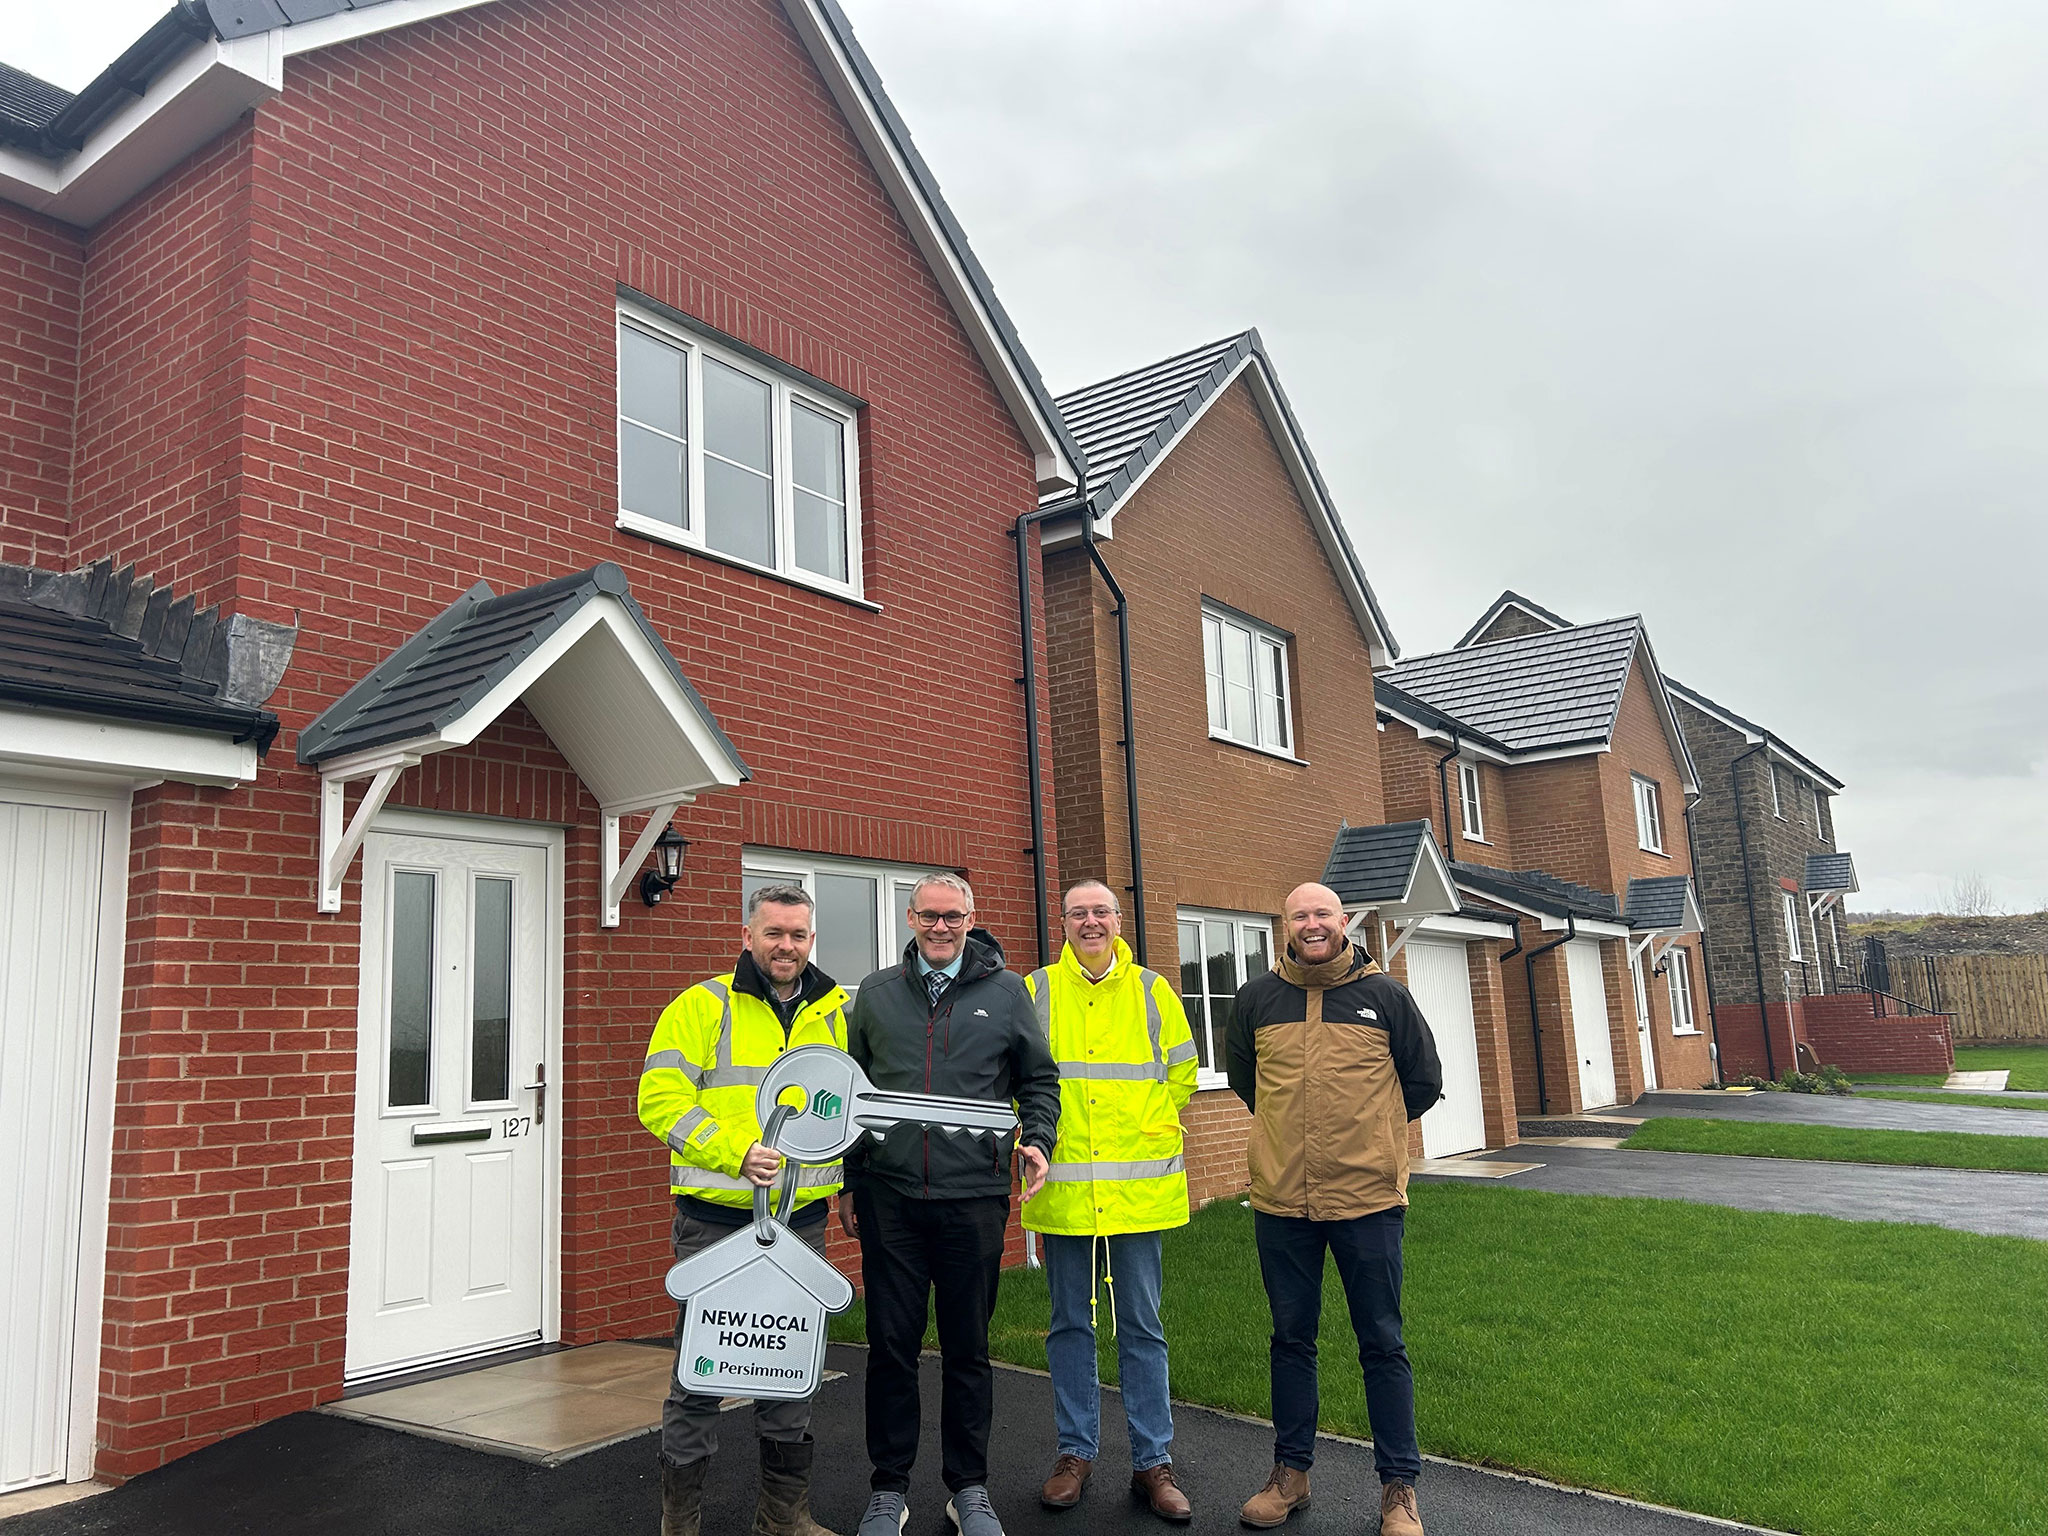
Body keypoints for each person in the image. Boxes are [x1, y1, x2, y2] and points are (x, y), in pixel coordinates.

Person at [844, 874, 1061, 1536]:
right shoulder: (877, 994)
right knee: (891, 1347)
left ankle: (968, 1489)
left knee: (968, 1349)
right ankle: (888, 1490)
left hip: (974, 1198)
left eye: (953, 917)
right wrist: (852, 1180)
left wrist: (1040, 1139)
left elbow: (1038, 1079)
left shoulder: (1006, 992)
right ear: (910, 918)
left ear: (972, 919)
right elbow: (853, 1093)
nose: (940, 928)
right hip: (892, 1200)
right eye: (929, 916)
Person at [1224, 882, 1443, 1536]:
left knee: (1382, 1340)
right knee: (1291, 1339)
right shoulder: (1257, 999)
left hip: (1367, 1200)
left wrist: (1371, 1137)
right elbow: (1246, 1082)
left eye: (1322, 914)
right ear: (1285, 925)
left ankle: (1399, 1491)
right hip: (1282, 1201)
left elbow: (1423, 1082)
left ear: (1342, 921)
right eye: (1300, 916)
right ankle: (1290, 1475)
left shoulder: (1384, 996)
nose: (1311, 924)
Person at [638, 883, 852, 1536]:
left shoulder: (835, 1013)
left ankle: (783, 1519)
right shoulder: (702, 1007)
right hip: (716, 1223)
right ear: (747, 936)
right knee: (702, 1373)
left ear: (811, 940)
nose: (786, 945)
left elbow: (842, 1114)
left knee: (790, 1371)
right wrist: (738, 1152)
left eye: (798, 934)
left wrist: (846, 1185)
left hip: (801, 1224)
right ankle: (681, 1523)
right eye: (773, 933)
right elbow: (660, 1099)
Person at [1024, 880, 1198, 1522]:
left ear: (1118, 920)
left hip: (1137, 1194)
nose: (1090, 922)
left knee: (1142, 1329)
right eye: (1078, 913)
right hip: (1064, 1190)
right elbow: (1018, 1077)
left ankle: (1154, 1463)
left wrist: (1141, 1130)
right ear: (1063, 923)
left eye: (1101, 912)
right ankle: (1075, 1454)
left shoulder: (1153, 991)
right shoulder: (1035, 990)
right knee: (1070, 1326)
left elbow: (1181, 1074)